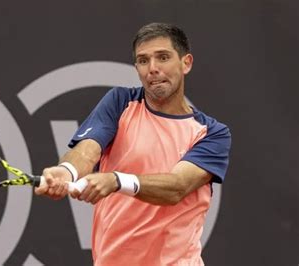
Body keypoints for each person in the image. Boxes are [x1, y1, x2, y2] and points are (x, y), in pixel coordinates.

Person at [35, 22, 231, 265]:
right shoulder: (120, 102)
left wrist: (117, 180)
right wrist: (66, 172)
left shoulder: (212, 133)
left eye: (163, 57)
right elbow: (87, 151)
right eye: (143, 60)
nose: (153, 69)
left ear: (186, 63)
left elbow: (177, 187)